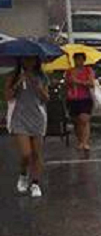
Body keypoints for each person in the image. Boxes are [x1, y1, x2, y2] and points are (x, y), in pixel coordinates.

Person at [4, 57, 50, 198]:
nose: (29, 63)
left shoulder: (41, 77)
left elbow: (46, 98)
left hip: (37, 117)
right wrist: (18, 82)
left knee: (36, 153)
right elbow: (8, 96)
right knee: (26, 154)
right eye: (26, 60)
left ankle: (35, 183)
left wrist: (38, 86)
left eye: (32, 60)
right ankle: (23, 174)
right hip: (19, 118)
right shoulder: (13, 76)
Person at [64, 53, 96, 151]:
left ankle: (85, 142)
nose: (79, 61)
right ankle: (80, 140)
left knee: (84, 119)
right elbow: (67, 83)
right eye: (77, 59)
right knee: (76, 121)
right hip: (72, 98)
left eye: (80, 59)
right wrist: (71, 81)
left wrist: (79, 82)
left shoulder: (88, 70)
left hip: (85, 98)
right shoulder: (69, 71)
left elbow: (91, 83)